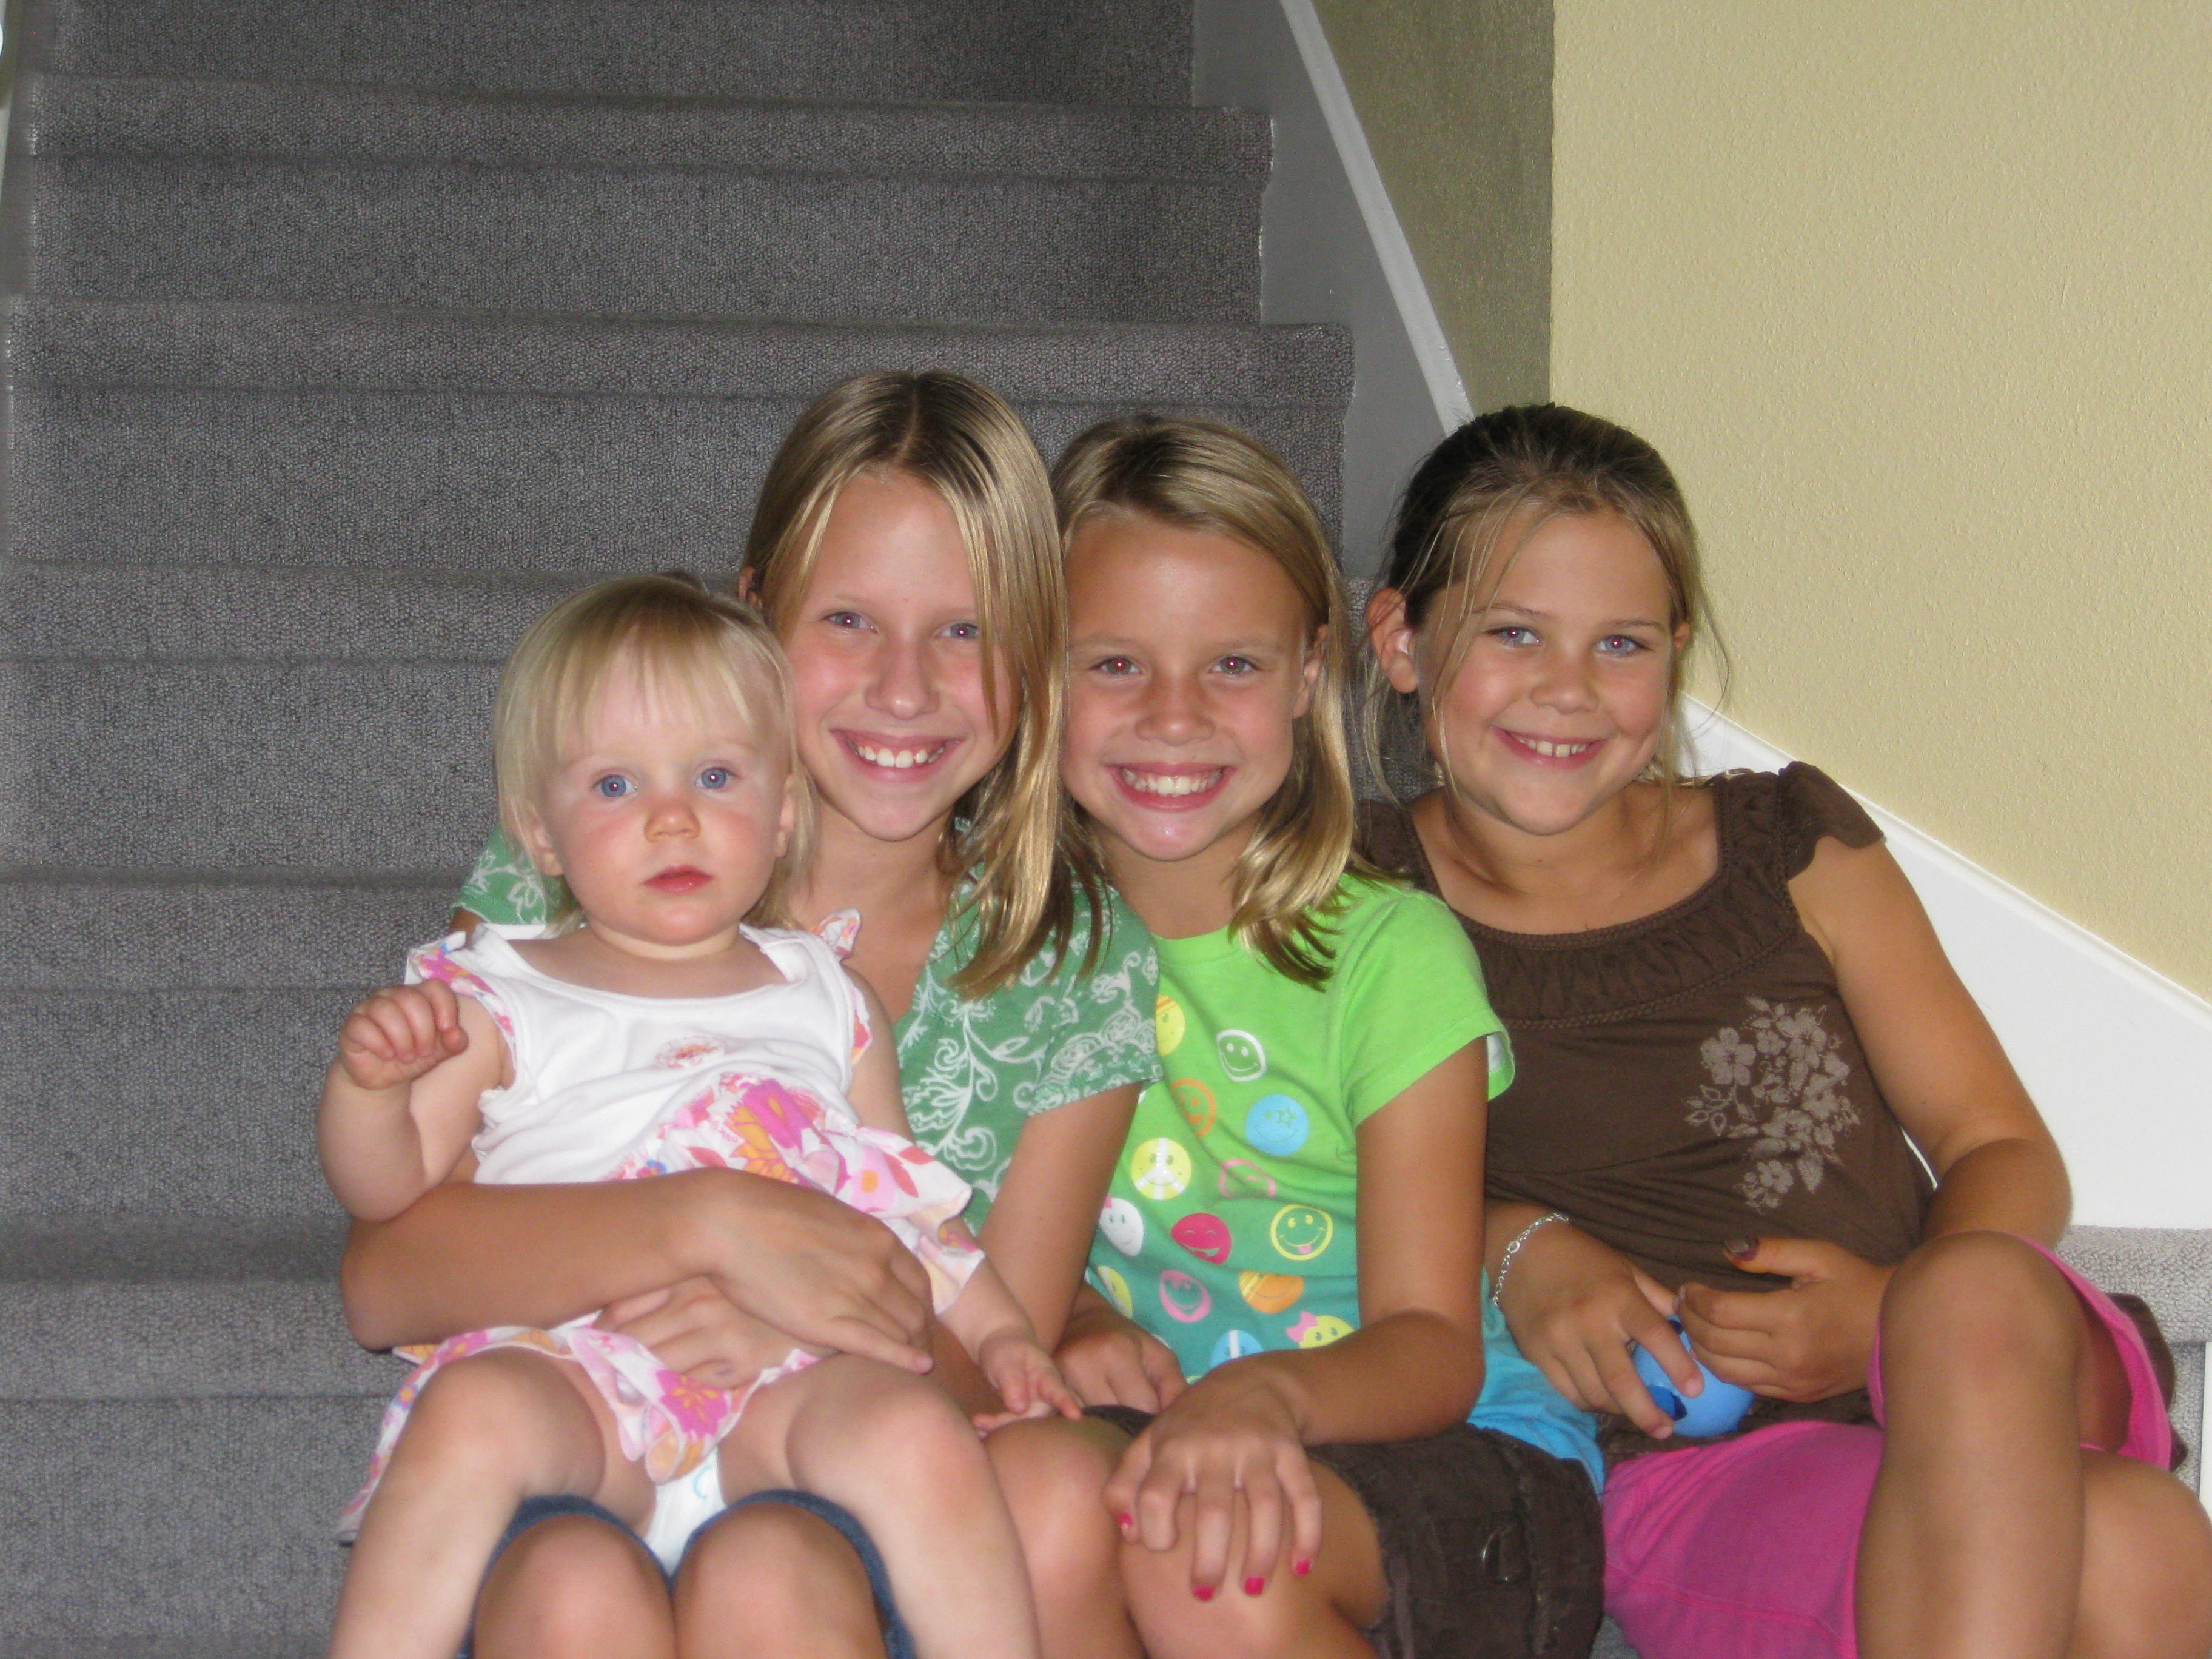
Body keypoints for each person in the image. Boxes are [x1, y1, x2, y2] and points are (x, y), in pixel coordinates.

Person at [1358, 401, 2212, 1659]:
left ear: (1675, 655)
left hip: (1991, 1366)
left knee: (1976, 1291)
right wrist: (1511, 1240)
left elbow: (2001, 1146)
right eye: (1514, 632)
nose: (1568, 689)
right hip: (1702, 1459)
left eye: (1621, 644)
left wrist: (1890, 1318)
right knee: (2138, 1539)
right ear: (1402, 640)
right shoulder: (1353, 903)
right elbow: (1288, 1186)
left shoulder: (1786, 843)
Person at [340, 372, 1160, 1659]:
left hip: (841, 1455)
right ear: (757, 615)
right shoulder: (582, 864)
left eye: (965, 630)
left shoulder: (1074, 956)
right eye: (850, 620)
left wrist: (799, 1317)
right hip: (576, 1424)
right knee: (572, 1585)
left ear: (1032, 656)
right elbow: (387, 1278)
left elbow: (1001, 1353)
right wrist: (711, 1223)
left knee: (784, 1572)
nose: (905, 687)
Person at [988, 415, 1604, 1659]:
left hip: (1461, 1450)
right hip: (1174, 1433)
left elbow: (1433, 1346)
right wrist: (1078, 1318)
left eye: (1232, 665)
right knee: (1028, 1504)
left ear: (1310, 673)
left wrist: (1260, 1397)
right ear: (1037, 673)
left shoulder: (1388, 954)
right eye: (1115, 664)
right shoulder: (1004, 949)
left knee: (1208, 1557)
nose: (1173, 717)